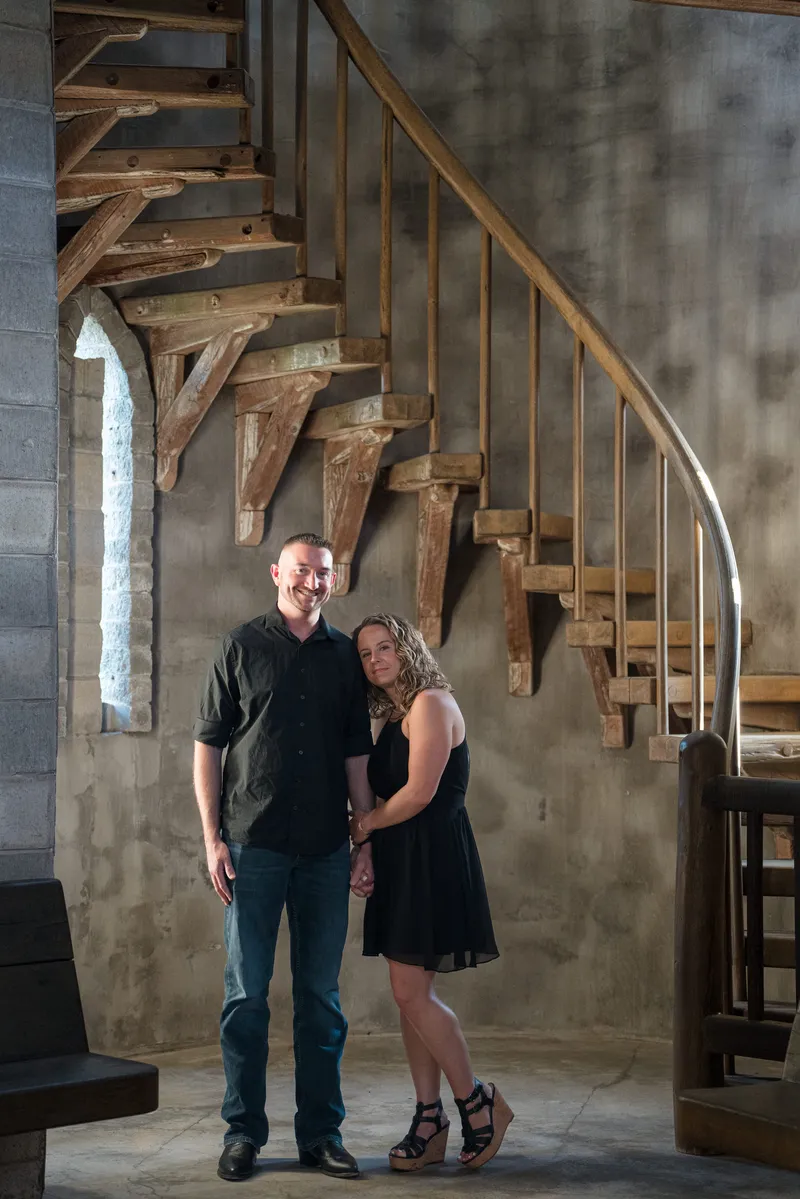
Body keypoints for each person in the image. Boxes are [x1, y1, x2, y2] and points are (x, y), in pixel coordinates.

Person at [193, 533, 375, 1183]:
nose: (314, 581)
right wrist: (213, 837)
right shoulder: (240, 646)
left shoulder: (346, 656)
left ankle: (321, 1135)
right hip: (252, 845)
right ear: (278, 572)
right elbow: (209, 746)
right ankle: (242, 1132)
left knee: (320, 1000)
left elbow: (358, 753)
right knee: (245, 997)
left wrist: (364, 840)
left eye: (324, 572)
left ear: (334, 579)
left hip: (327, 849)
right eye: (303, 569)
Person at [350, 613, 513, 1172]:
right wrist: (369, 847)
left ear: (408, 647)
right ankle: (429, 1115)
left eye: (385, 647)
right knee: (408, 995)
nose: (376, 660)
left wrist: (365, 827)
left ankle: (477, 1101)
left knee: (411, 994)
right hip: (402, 858)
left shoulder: (431, 704)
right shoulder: (394, 716)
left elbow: (419, 793)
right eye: (367, 654)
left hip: (433, 858)